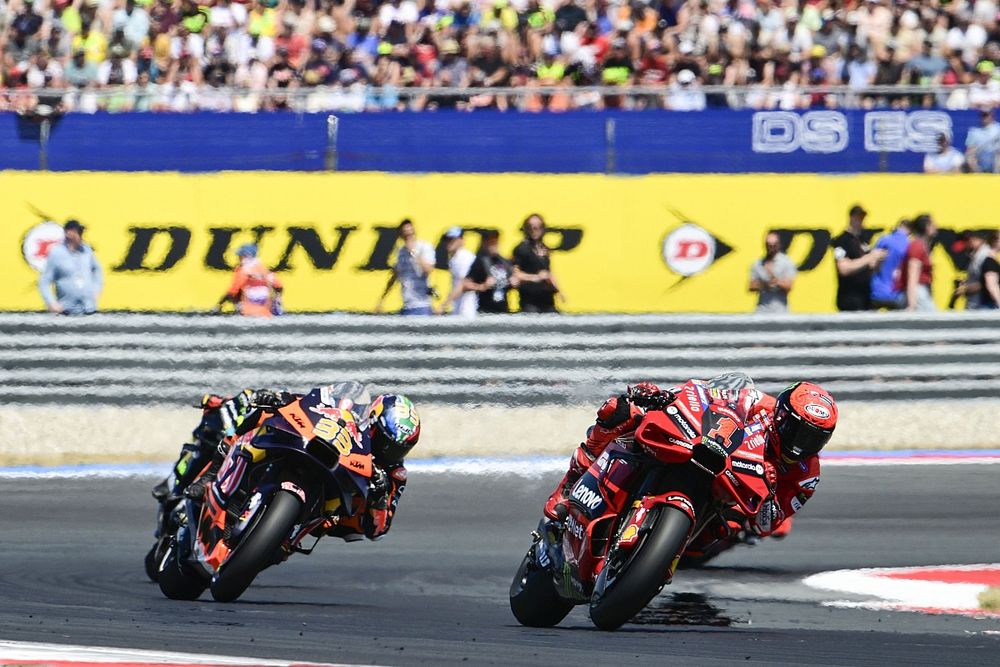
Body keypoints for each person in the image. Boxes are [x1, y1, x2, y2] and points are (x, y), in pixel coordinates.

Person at [542, 377, 837, 544]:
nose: (802, 444)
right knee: (620, 411)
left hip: (720, 506)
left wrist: (768, 496)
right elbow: (704, 396)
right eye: (799, 431)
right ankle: (569, 485)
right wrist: (663, 397)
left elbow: (768, 525)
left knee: (726, 530)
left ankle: (658, 553)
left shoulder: (806, 476)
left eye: (814, 439)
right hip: (703, 450)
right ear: (782, 416)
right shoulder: (760, 404)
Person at [153, 382, 420, 541]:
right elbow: (313, 405)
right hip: (316, 456)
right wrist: (283, 400)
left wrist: (379, 497)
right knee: (257, 408)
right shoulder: (350, 415)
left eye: (397, 450)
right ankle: (212, 474)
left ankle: (271, 539)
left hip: (331, 510)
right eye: (385, 443)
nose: (389, 453)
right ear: (372, 423)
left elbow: (378, 529)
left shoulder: (393, 475)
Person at [38, 219, 103, 315]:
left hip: (89, 310)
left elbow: (97, 270)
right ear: (68, 233)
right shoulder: (56, 253)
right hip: (67, 312)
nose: (81, 235)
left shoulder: (87, 250)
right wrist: (51, 302)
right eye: (78, 231)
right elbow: (45, 281)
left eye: (82, 232)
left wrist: (96, 289)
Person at [830, 204, 887, 312]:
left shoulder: (863, 241)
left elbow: (870, 266)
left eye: (862, 218)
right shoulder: (841, 241)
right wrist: (869, 257)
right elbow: (844, 268)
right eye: (858, 218)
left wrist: (878, 260)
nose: (861, 221)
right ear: (851, 218)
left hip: (867, 298)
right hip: (850, 298)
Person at [376, 219, 436, 316]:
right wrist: (381, 300)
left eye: (411, 233)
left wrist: (414, 252)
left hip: (422, 304)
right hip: (407, 305)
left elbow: (428, 270)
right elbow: (394, 276)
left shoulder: (424, 247)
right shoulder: (401, 252)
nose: (409, 237)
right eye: (406, 235)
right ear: (401, 236)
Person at [512, 213, 562, 313]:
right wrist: (536, 277)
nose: (535, 230)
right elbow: (515, 274)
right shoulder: (521, 248)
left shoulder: (544, 248)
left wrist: (557, 287)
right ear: (526, 229)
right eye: (531, 227)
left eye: (538, 227)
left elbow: (547, 272)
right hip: (530, 301)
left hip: (547, 300)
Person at [217, 243, 282, 317]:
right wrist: (277, 300)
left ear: (246, 256)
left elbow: (233, 290)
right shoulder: (264, 269)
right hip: (266, 307)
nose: (238, 258)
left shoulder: (243, 269)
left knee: (239, 292)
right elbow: (279, 287)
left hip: (249, 308)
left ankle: (242, 309)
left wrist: (220, 304)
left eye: (240, 255)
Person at [465, 230, 518, 314]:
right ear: (485, 243)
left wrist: (514, 283)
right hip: (486, 310)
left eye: (496, 241)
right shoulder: (480, 261)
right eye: (491, 242)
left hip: (503, 310)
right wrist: (482, 286)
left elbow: (513, 281)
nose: (494, 244)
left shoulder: (505, 262)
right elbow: (466, 284)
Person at [897, 214, 937, 312]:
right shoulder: (917, 246)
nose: (936, 226)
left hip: (921, 291)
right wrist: (912, 305)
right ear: (926, 227)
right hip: (918, 293)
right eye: (933, 224)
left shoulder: (922, 246)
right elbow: (912, 275)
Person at [748, 232, 796, 312]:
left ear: (778, 245)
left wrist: (772, 276)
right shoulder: (758, 263)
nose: (771, 248)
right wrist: (765, 284)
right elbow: (751, 286)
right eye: (769, 245)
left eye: (774, 245)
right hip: (762, 310)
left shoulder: (786, 262)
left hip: (780, 310)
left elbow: (788, 286)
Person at [870, 218, 912, 310]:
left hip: (877, 291)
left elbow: (872, 264)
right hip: (896, 293)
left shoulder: (883, 240)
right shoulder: (908, 245)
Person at [439, 227, 478, 317]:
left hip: (467, 310)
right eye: (447, 239)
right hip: (459, 309)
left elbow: (463, 284)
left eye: (452, 239)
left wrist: (444, 305)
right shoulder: (454, 258)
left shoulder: (464, 258)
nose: (449, 242)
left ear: (461, 240)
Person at [952, 231, 994, 310]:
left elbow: (986, 283)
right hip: (975, 304)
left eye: (966, 244)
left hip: (982, 306)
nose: (965, 247)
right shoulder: (975, 255)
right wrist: (965, 283)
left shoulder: (985, 256)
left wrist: (964, 289)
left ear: (973, 240)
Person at [965, 109, 1000, 174]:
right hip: (980, 159)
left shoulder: (998, 128)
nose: (984, 117)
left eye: (986, 115)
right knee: (969, 157)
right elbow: (969, 150)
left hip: (995, 159)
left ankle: (996, 175)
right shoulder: (974, 131)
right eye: (983, 115)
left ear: (992, 116)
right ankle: (980, 176)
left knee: (998, 153)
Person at [977, 232, 1000, 310]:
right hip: (990, 307)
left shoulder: (990, 260)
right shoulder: (990, 262)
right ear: (995, 242)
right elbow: (992, 286)